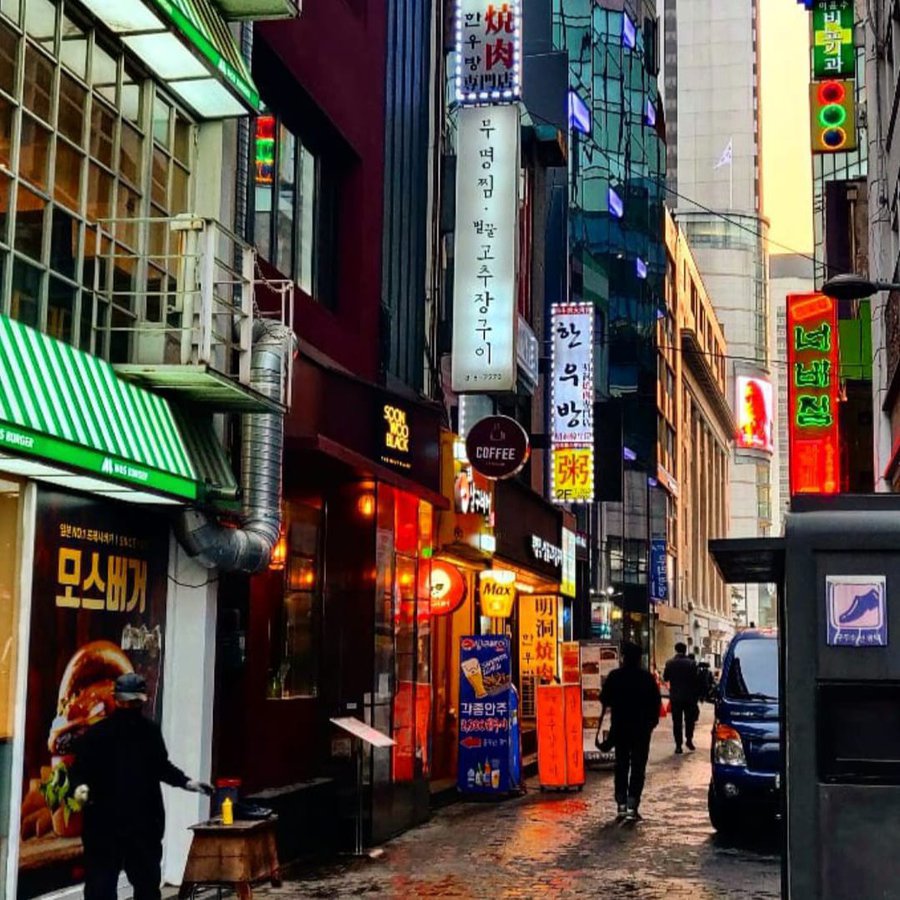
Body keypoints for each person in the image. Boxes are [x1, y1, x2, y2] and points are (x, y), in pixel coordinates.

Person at [70, 672, 213, 900]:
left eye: (134, 702)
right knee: (101, 888)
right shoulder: (98, 735)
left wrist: (187, 782)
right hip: (106, 825)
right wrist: (80, 789)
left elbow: (161, 766)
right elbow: (78, 771)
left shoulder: (148, 732)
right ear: (117, 700)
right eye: (127, 701)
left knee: (145, 886)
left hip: (141, 825)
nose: (130, 706)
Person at [597, 642, 661, 822]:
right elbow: (656, 704)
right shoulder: (646, 678)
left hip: (620, 728)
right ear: (639, 659)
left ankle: (621, 805)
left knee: (622, 765)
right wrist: (651, 724)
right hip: (641, 730)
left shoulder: (615, 676)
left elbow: (604, 698)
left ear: (623, 658)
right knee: (638, 767)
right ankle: (633, 805)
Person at [663, 642, 700, 753]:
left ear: (675, 650)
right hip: (689, 697)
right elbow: (696, 680)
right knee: (689, 720)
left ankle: (678, 745)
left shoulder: (670, 663)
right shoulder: (692, 663)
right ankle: (689, 739)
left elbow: (665, 678)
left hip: (675, 697)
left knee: (677, 722)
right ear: (685, 651)